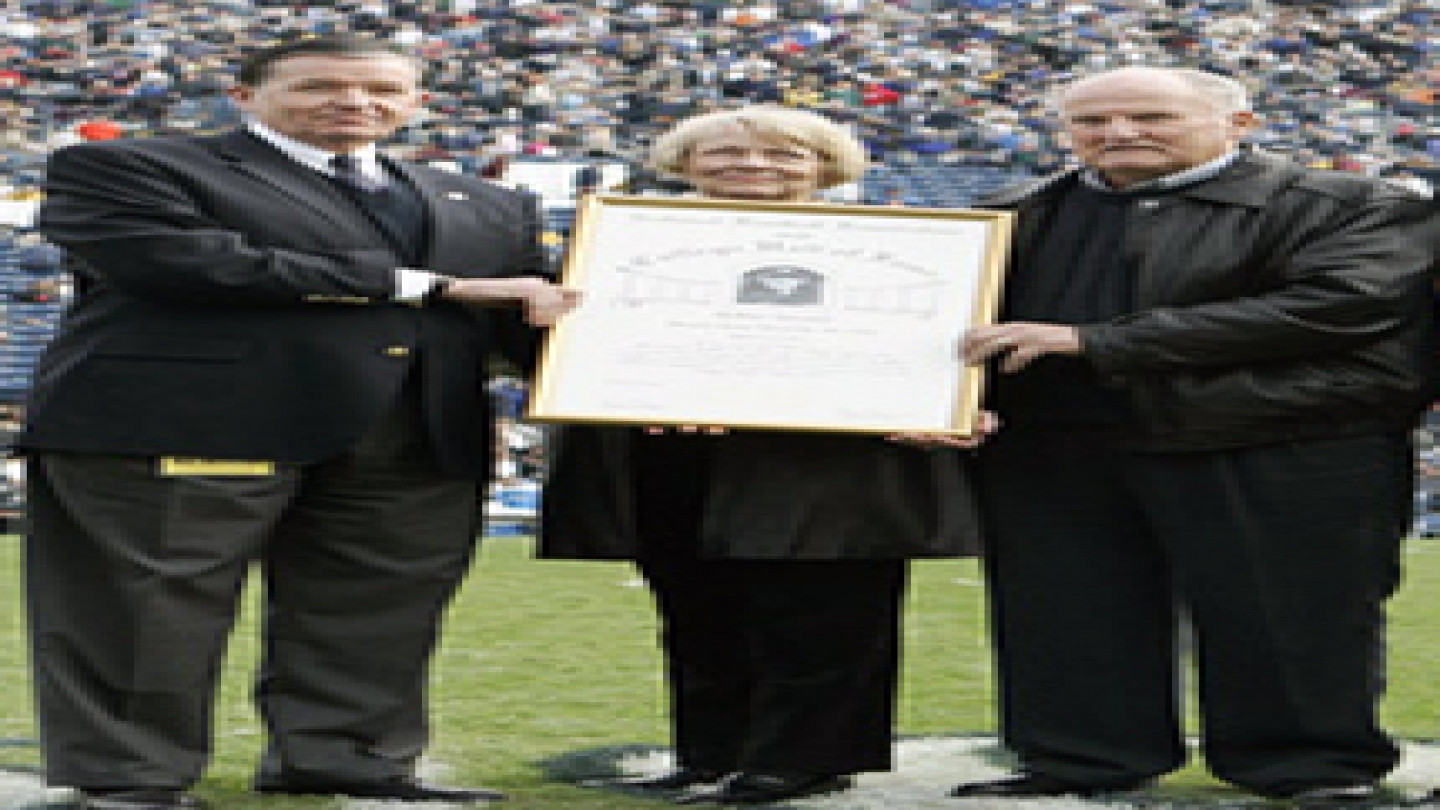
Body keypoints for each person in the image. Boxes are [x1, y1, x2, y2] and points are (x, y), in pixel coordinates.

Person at [23, 36, 577, 810]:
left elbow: (519, 324)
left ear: (417, 102)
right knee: (147, 610)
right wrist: (423, 283)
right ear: (245, 95)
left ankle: (351, 761)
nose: (354, 102)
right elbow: (185, 263)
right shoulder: (133, 166)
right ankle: (129, 778)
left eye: (381, 89)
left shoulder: (485, 201)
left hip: (414, 432)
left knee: (380, 609)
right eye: (320, 86)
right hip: (188, 424)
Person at [951, 67, 1434, 806]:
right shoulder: (1009, 213)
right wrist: (958, 403)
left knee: (1292, 614)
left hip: (1281, 441)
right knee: (1065, 611)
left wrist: (1099, 342)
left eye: (1151, 116)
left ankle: (1312, 768)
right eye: (1091, 121)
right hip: (1062, 449)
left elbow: (1335, 307)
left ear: (1239, 123)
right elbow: (963, 335)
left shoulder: (1352, 206)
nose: (1117, 133)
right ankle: (1080, 760)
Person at [540, 105, 987, 806]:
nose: (753, 167)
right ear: (682, 162)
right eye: (725, 154)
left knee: (824, 616)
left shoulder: (909, 245)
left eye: (784, 156)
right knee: (696, 613)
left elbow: (948, 341)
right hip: (670, 450)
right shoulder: (620, 240)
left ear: (826, 166)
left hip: (840, 460)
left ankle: (803, 761)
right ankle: (709, 753)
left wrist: (945, 401)